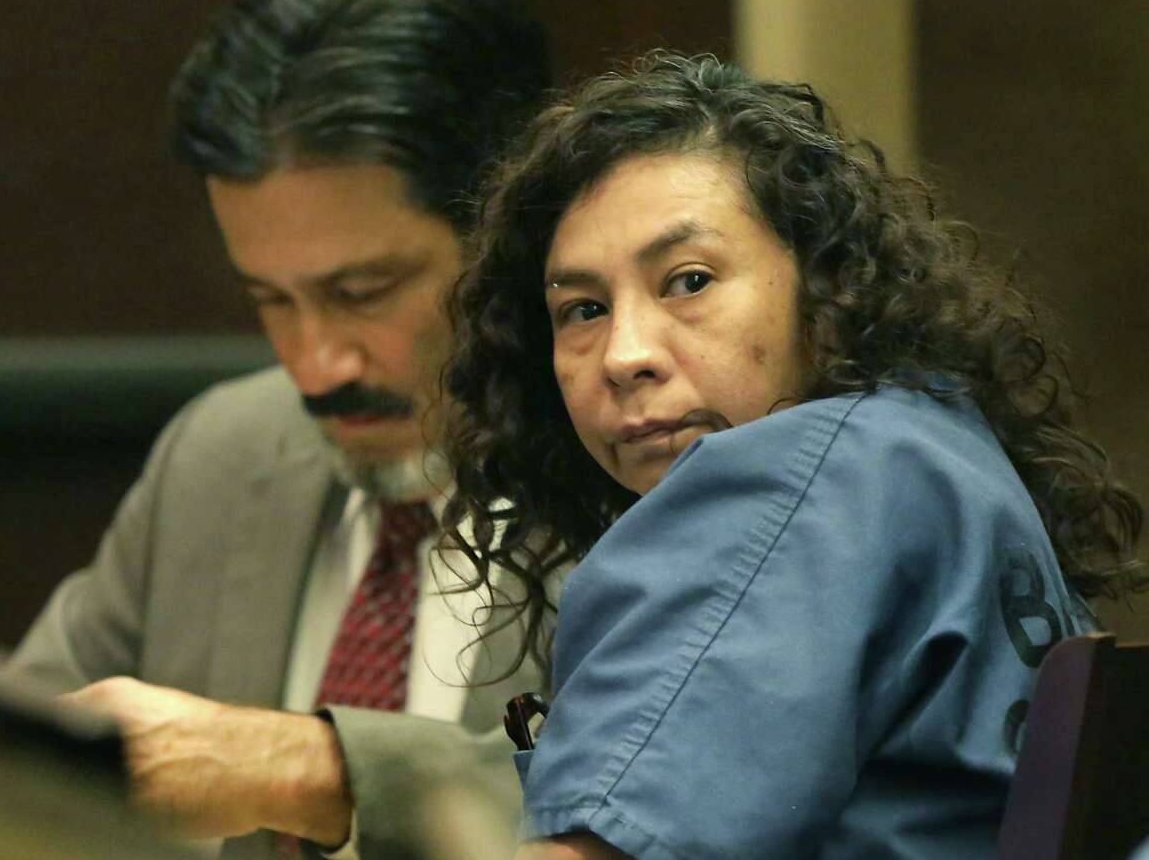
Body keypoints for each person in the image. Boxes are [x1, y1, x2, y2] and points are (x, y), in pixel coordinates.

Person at [441, 52, 1146, 859]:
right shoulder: (933, 445)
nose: (623, 353)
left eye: (689, 280)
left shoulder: (793, 476)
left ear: (826, 289)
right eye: (583, 309)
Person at [8, 0, 550, 857]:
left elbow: (686, 799)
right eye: (270, 300)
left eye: (362, 291)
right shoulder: (222, 453)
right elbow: (19, 774)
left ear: (514, 231)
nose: (314, 364)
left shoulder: (648, 469)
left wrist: (309, 769)